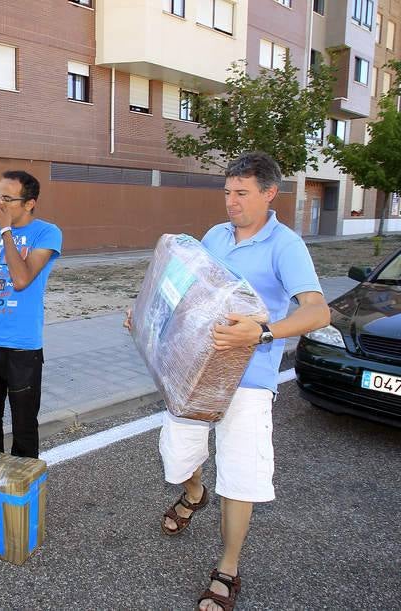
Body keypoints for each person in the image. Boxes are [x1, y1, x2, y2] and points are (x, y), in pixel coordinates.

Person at [124, 152, 329, 611]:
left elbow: (318, 310)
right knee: (177, 458)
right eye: (227, 192)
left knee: (240, 477)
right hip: (197, 372)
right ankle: (193, 492)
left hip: (250, 378)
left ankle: (228, 566)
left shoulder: (286, 245)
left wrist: (261, 331)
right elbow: (185, 288)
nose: (231, 202)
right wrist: (146, 314)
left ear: (269, 193)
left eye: (241, 193)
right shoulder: (215, 235)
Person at [0, 170, 62, 459]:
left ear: (29, 203)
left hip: (23, 348)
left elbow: (21, 279)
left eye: (8, 198)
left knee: (24, 429)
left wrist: (6, 231)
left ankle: (24, 499)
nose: (0, 204)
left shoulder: (46, 233)